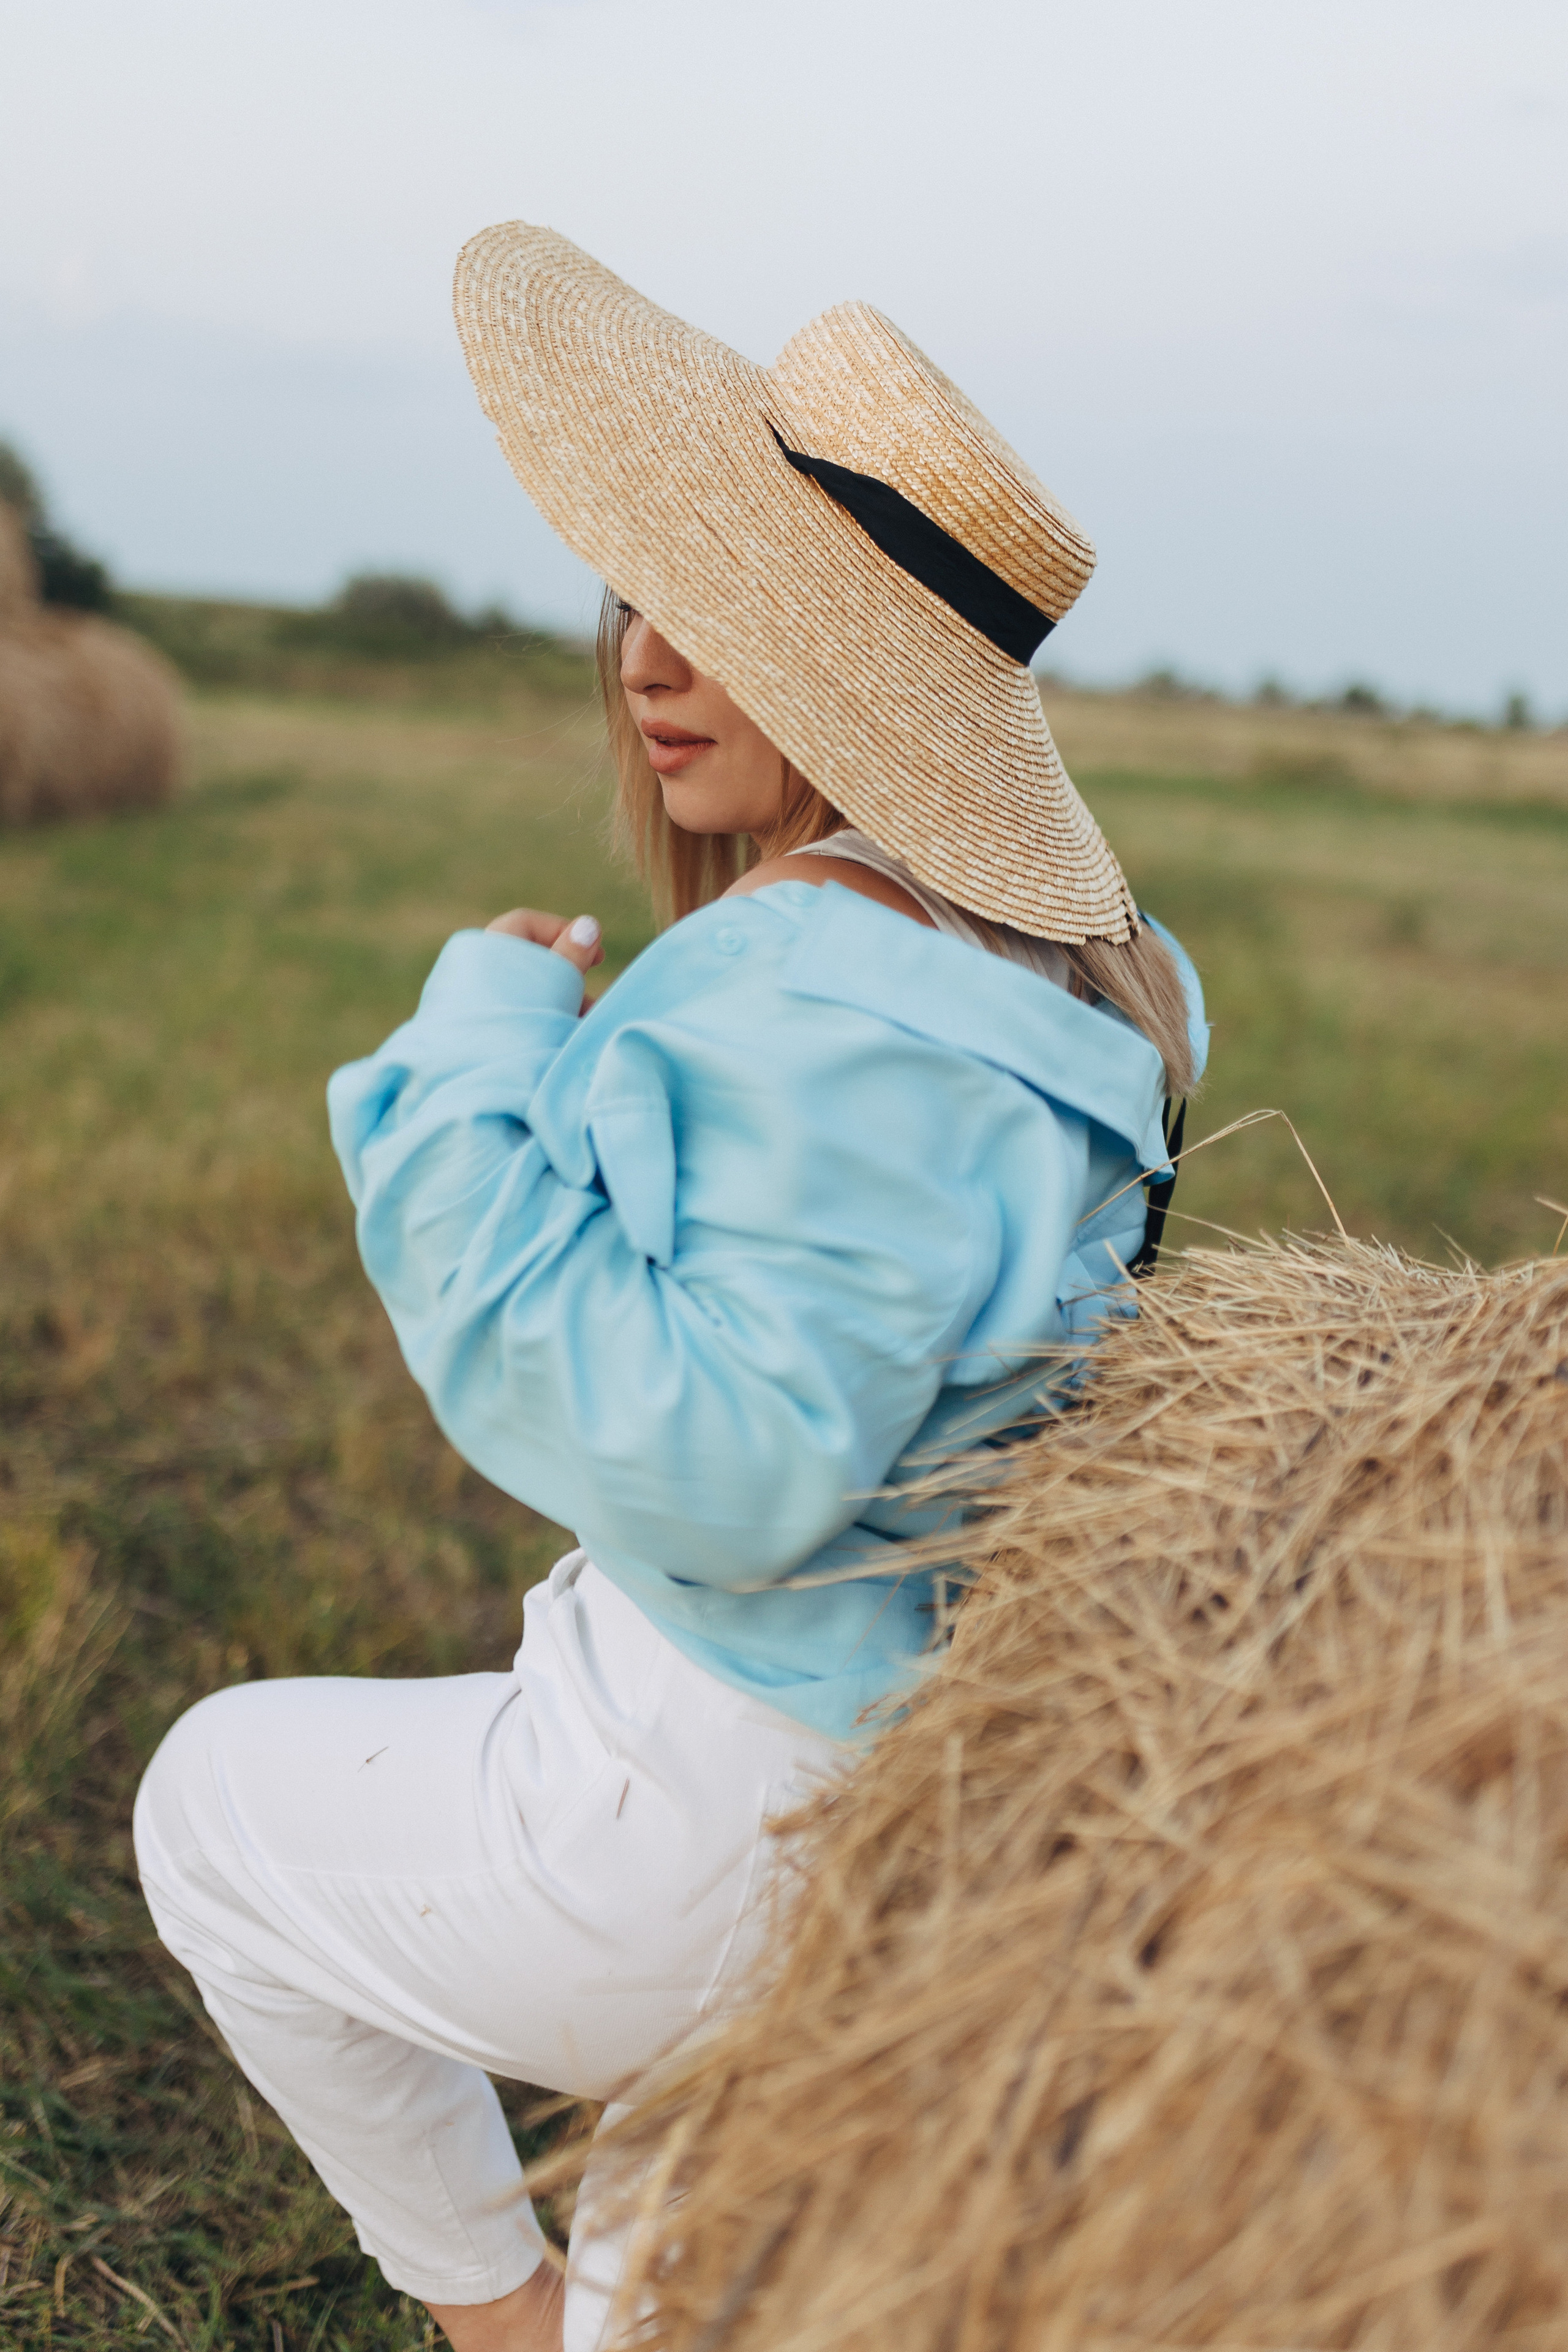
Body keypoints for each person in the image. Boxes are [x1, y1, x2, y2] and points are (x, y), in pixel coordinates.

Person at [134, 224, 1208, 2352]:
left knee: (207, 1806)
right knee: (678, 2286)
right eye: (648, 590)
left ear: (854, 678)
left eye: (725, 615)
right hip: (951, 1786)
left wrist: (471, 1056)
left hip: (709, 1801)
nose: (645, 662)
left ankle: (483, 2307)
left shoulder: (813, 982)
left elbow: (705, 1457)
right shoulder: (1097, 990)